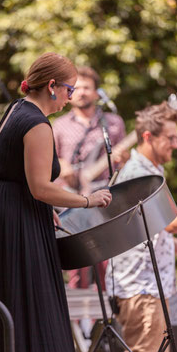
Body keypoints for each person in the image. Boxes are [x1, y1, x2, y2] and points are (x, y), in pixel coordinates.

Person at [0, 52, 112, 352]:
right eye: (69, 89)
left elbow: (21, 178)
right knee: (30, 309)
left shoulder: (15, 109)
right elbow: (41, 188)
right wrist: (87, 200)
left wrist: (50, 212)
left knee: (7, 310)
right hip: (13, 222)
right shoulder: (37, 124)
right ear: (51, 86)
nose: (71, 97)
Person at [105, 101, 177, 352]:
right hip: (141, 290)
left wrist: (171, 245)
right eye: (170, 138)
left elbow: (146, 226)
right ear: (148, 137)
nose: (175, 143)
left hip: (148, 289)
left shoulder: (148, 169)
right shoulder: (139, 172)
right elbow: (167, 220)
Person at [53, 66, 127, 290]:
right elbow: (50, 161)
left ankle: (107, 315)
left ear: (97, 92)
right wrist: (62, 166)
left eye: (87, 88)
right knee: (77, 265)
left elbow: (122, 165)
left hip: (103, 198)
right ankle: (77, 322)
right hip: (72, 199)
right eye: (77, 88)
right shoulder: (59, 125)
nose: (82, 92)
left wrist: (123, 160)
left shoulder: (113, 123)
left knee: (107, 260)